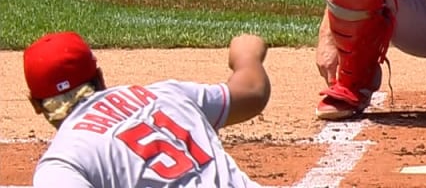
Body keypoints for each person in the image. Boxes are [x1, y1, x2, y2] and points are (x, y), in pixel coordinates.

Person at [24, 31, 271, 187]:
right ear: (99, 77)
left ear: (36, 104)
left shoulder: (62, 161)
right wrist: (247, 54)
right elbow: (252, 92)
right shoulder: (165, 94)